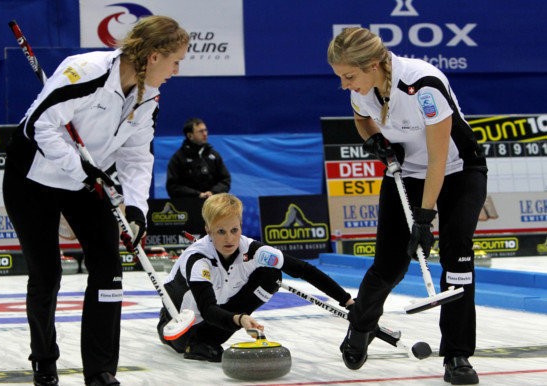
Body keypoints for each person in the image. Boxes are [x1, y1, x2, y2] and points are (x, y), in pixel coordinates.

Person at [2, 16, 189, 386]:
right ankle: (44, 361)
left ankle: (100, 371)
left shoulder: (147, 94)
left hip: (88, 180)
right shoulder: (84, 71)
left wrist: (136, 209)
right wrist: (83, 171)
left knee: (108, 269)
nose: (177, 70)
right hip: (33, 177)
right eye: (175, 61)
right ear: (154, 56)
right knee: (47, 274)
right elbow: (38, 126)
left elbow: (137, 156)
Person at [327, 27, 487, 385]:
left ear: (373, 64)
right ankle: (361, 326)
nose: (344, 84)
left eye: (349, 76)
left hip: (458, 171)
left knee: (457, 254)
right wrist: (375, 142)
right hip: (406, 174)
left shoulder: (422, 85)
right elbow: (361, 117)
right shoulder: (364, 87)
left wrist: (425, 218)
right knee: (388, 263)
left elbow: (438, 157)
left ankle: (457, 354)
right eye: (339, 77)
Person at [156, 193, 354, 361]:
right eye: (221, 231)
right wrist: (240, 319)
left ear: (241, 225)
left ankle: (210, 338)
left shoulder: (253, 249)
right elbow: (207, 310)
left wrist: (346, 300)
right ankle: (196, 342)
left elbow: (303, 269)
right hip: (179, 323)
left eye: (234, 230)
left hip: (218, 316)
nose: (229, 238)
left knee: (271, 274)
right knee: (191, 346)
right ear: (208, 230)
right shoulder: (198, 260)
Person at [166, 118, 231, 199]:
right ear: (190, 136)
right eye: (200, 131)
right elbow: (173, 187)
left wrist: (213, 192)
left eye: (205, 130)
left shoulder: (214, 155)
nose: (205, 134)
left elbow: (225, 180)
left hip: (212, 204)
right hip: (188, 206)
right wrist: (197, 194)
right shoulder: (178, 158)